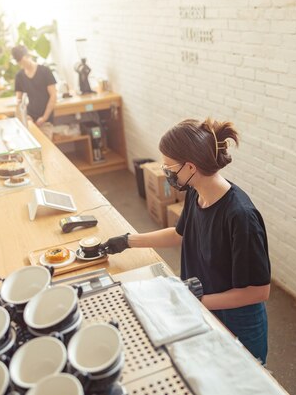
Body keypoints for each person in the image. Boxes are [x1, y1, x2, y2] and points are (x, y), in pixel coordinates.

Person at [102, 118, 271, 363]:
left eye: (169, 167)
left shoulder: (240, 217)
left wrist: (194, 298)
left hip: (237, 323)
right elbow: (179, 234)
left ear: (190, 167)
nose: (166, 172)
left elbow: (258, 292)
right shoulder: (197, 193)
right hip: (204, 308)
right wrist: (128, 241)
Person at [11, 45, 57, 126]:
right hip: (30, 119)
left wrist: (44, 118)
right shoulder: (19, 76)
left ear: (28, 56)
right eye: (20, 63)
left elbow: (53, 96)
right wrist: (25, 116)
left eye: (23, 61)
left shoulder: (45, 71)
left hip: (46, 119)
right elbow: (19, 101)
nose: (22, 65)